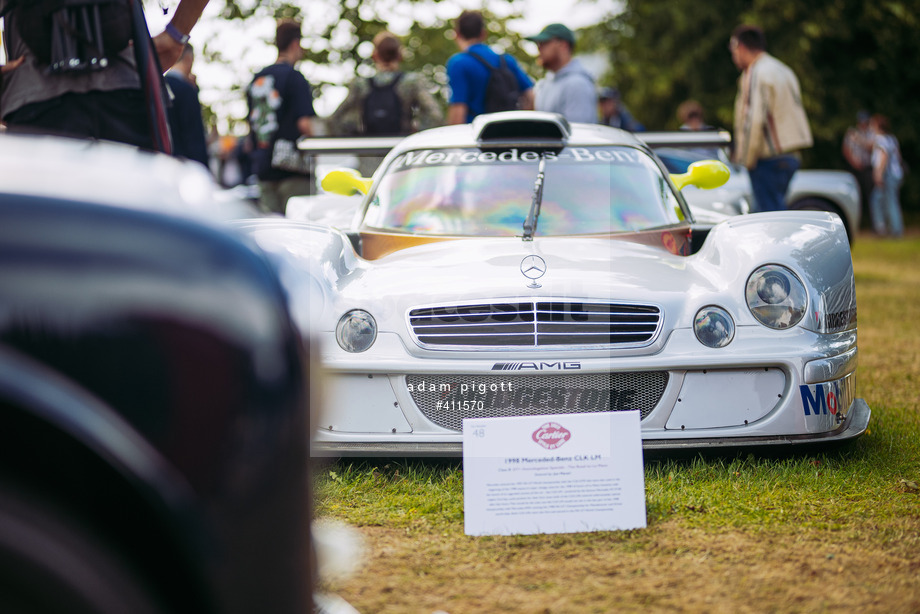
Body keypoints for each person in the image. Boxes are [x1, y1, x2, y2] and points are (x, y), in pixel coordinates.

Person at [0, 0, 210, 149]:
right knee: (135, 209)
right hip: (128, 88)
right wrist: (175, 35)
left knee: (49, 211)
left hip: (34, 95)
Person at [729, 24, 812, 212]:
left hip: (768, 159)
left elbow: (753, 119)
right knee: (776, 212)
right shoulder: (782, 69)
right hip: (790, 155)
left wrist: (746, 159)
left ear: (741, 47)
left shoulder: (756, 72)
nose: (733, 57)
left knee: (769, 221)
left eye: (733, 50)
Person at [246, 18, 317, 215]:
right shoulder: (295, 78)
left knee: (271, 232)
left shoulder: (257, 79)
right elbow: (304, 124)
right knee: (298, 231)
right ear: (295, 43)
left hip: (263, 169)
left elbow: (251, 125)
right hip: (293, 172)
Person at [446, 10, 534, 125]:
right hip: (508, 131)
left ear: (457, 34)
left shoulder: (459, 63)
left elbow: (458, 109)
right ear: (483, 33)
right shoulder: (506, 60)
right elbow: (530, 95)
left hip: (476, 136)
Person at [526, 23, 597, 125]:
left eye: (544, 43)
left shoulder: (577, 84)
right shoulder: (545, 84)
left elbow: (577, 137)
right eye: (538, 44)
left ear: (563, 45)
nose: (539, 48)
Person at [165, 43, 209, 167]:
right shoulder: (186, 90)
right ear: (189, 58)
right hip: (186, 165)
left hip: (163, 160)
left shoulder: (158, 86)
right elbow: (194, 137)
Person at [868, 113, 905, 238]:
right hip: (896, 173)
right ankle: (887, 228)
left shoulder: (880, 140)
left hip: (887, 174)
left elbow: (884, 156)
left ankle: (894, 231)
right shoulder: (892, 139)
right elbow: (898, 157)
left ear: (877, 126)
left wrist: (878, 173)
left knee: (888, 201)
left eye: (872, 125)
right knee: (883, 200)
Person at [842, 110, 875, 227]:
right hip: (855, 169)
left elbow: (872, 148)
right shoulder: (851, 132)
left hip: (868, 168)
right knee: (856, 196)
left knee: (870, 196)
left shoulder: (872, 133)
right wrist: (854, 163)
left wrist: (860, 140)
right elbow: (846, 150)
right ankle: (857, 224)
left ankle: (873, 224)